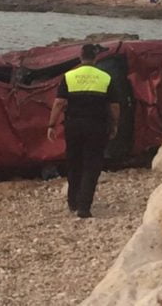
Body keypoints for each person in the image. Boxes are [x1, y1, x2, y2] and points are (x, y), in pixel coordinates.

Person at [47, 44, 120, 218]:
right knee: (92, 165)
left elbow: (59, 103)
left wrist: (51, 125)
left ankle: (72, 202)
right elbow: (115, 106)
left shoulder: (69, 76)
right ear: (95, 58)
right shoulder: (105, 78)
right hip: (97, 126)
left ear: (80, 57)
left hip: (74, 126)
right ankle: (84, 207)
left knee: (74, 162)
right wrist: (115, 124)